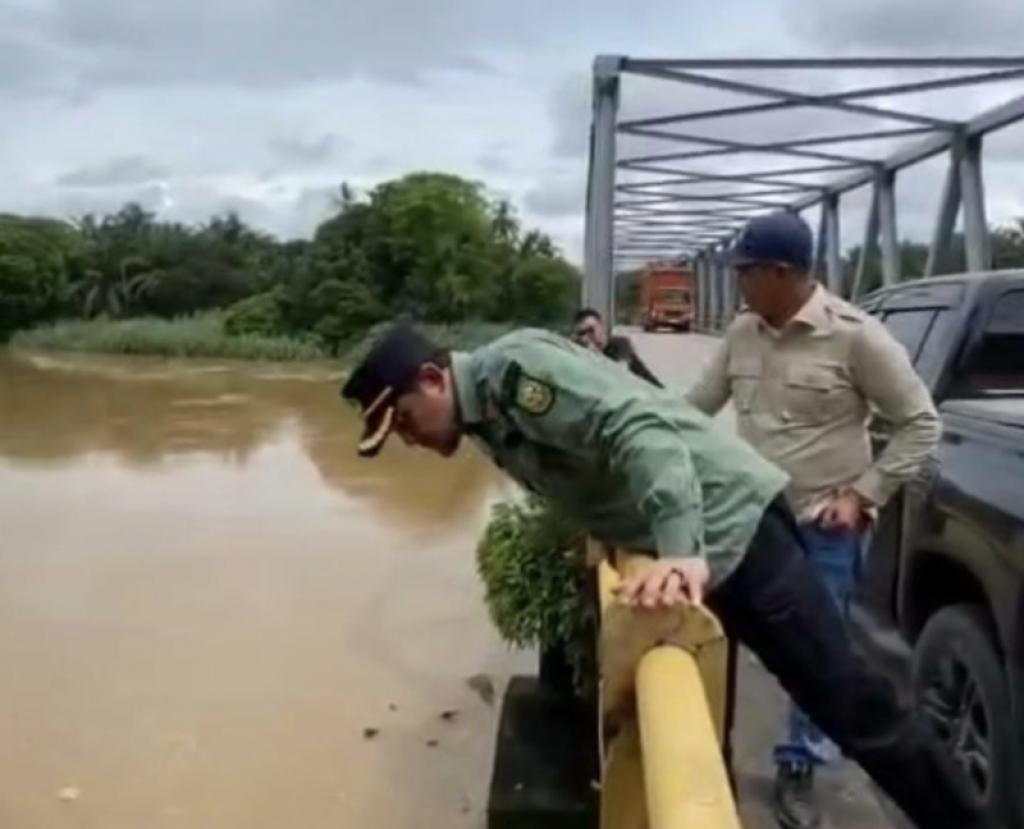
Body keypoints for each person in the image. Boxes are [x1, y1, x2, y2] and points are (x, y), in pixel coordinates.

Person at [339, 323, 974, 829]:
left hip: (732, 531)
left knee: (851, 705)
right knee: (722, 711)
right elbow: (585, 467)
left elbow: (645, 434)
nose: (410, 442)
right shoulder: (483, 413)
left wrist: (677, 549)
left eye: (404, 421)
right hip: (706, 543)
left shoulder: (514, 375)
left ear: (431, 378)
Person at [685, 211, 941, 829]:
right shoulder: (742, 333)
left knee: (817, 656)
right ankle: (708, 748)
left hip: (822, 524)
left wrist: (863, 495)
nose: (739, 282)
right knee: (716, 634)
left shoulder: (856, 337)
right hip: (747, 522)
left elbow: (921, 425)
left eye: (746, 271)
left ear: (781, 273)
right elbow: (694, 410)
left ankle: (798, 766)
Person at [571, 307, 663, 387]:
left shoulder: (620, 344)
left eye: (591, 330)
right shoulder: (580, 354)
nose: (588, 336)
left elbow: (620, 373)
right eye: (582, 333)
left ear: (602, 326)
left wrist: (594, 357)